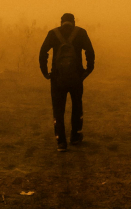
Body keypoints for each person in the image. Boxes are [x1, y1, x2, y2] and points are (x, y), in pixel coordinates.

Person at [39, 13, 95, 152]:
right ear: (74, 22)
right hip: (76, 78)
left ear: (61, 22)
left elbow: (42, 53)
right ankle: (75, 137)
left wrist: (46, 72)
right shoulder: (80, 33)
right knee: (77, 106)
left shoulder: (53, 33)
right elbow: (90, 51)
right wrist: (88, 70)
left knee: (58, 110)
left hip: (57, 79)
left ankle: (61, 142)